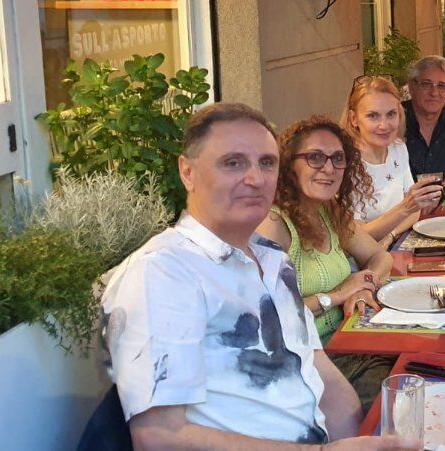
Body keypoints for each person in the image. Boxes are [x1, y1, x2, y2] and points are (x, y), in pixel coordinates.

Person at [100, 103, 419, 449]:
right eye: (233, 163)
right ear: (187, 172)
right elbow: (159, 438)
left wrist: (362, 440)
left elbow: (320, 375)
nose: (255, 178)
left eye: (266, 163)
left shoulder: (272, 261)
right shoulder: (162, 272)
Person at [256, 116, 395, 408]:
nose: (329, 168)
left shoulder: (327, 210)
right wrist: (336, 296)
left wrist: (364, 287)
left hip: (351, 342)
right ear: (289, 164)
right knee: (398, 398)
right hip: (307, 362)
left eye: (337, 158)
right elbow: (268, 318)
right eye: (315, 158)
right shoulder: (274, 224)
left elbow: (380, 256)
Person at [342, 76, 443, 243]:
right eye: (373, 116)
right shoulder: (343, 162)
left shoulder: (398, 148)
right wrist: (405, 208)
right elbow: (354, 238)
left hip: (394, 245)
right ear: (354, 119)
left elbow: (414, 210)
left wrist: (390, 235)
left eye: (391, 114)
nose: (384, 125)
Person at [403, 56, 445, 193]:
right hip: (399, 203)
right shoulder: (394, 120)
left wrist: (439, 193)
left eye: (441, 86)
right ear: (411, 87)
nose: (434, 93)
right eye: (426, 84)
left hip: (440, 199)